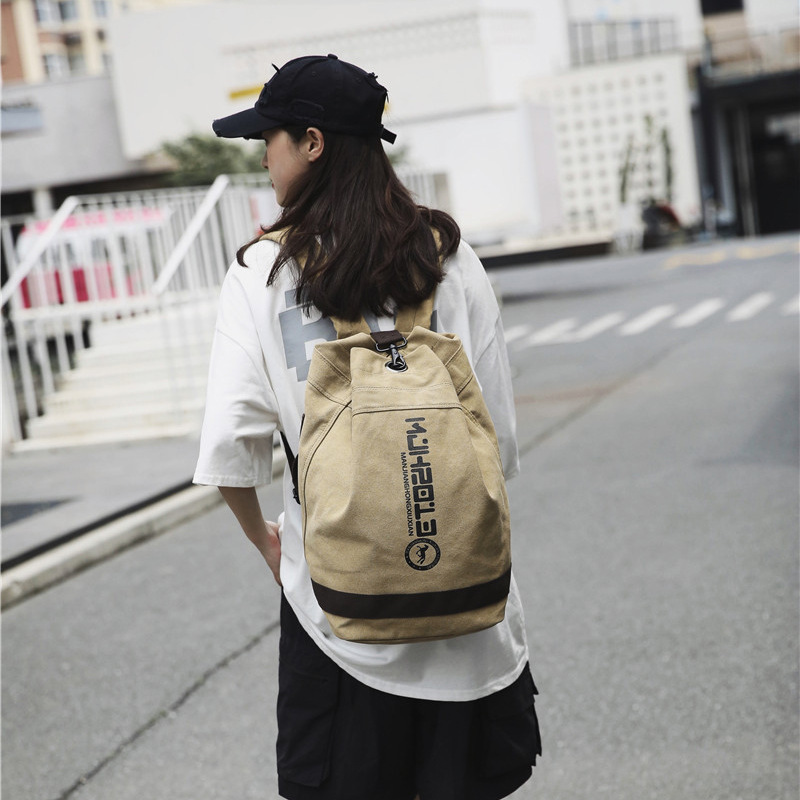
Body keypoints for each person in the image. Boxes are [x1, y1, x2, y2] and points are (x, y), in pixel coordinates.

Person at [194, 53, 541, 800]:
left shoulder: (261, 274)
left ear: (312, 142)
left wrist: (267, 541)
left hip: (336, 621)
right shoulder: (449, 258)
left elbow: (229, 448)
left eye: (269, 138)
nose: (264, 157)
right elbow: (501, 442)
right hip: (470, 616)